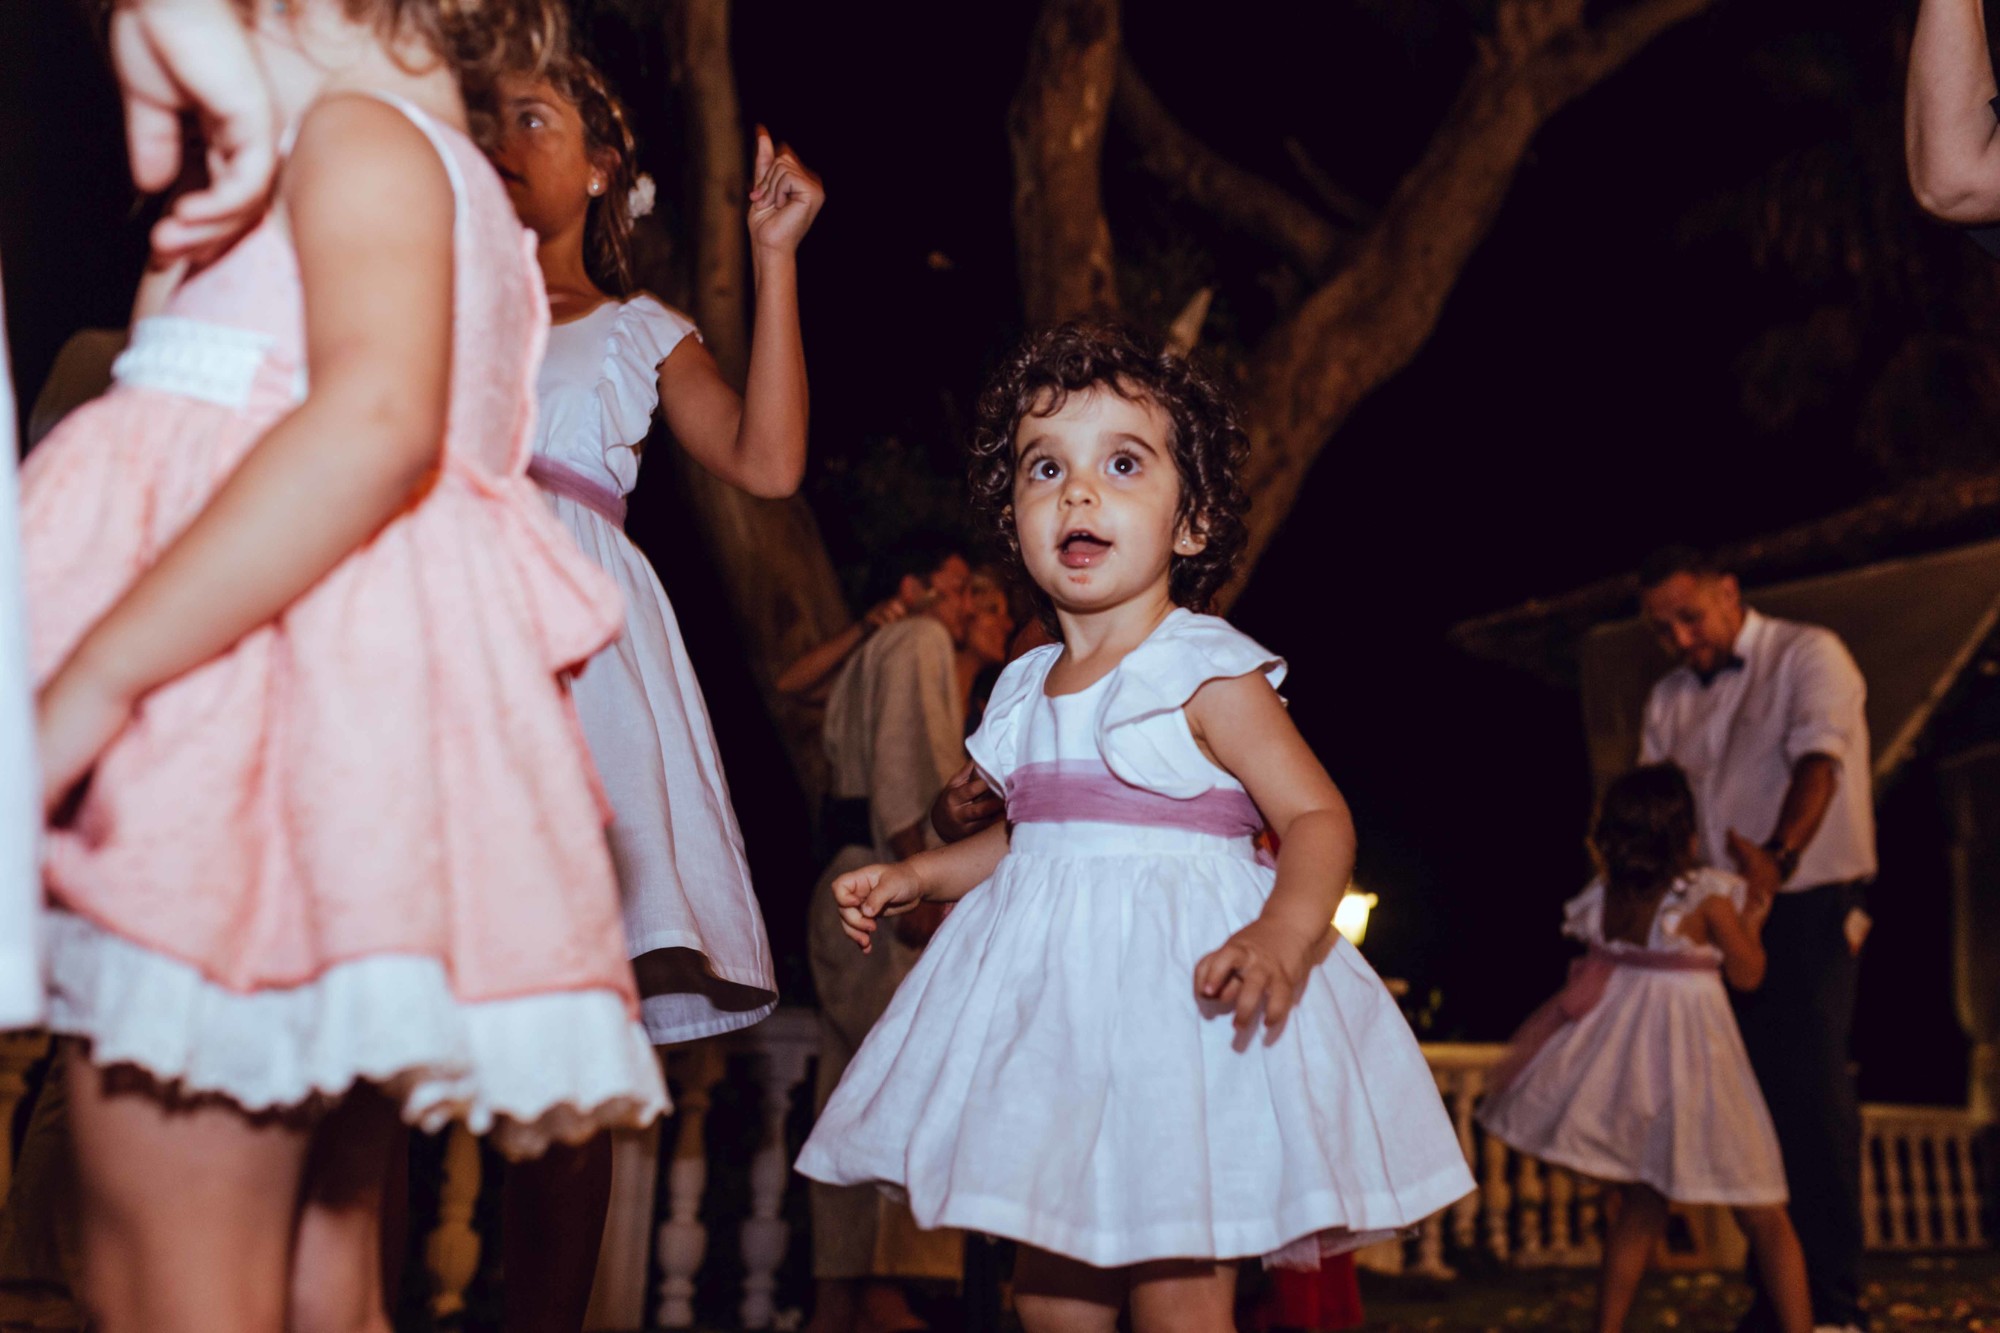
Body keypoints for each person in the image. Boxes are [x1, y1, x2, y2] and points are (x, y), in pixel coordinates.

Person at [19, 1, 671, 1328]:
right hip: (316, 802)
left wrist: (83, 687)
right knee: (326, 1279)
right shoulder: (447, 189)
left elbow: (373, 427)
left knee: (166, 1287)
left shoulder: (360, 141)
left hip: (219, 788)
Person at [796, 322, 1473, 1333]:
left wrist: (1284, 933)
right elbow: (1032, 840)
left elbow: (1314, 815)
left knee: (1177, 1293)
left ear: (1188, 521)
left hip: (1177, 1020)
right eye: (1044, 467)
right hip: (1057, 1026)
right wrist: (921, 874)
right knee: (1051, 1296)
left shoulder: (1204, 666)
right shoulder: (1021, 686)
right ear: (1011, 517)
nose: (1077, 491)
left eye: (1121, 463)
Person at [481, 50, 821, 1331]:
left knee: (567, 1048)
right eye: (486, 122)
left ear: (602, 166)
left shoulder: (639, 330)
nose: (502, 138)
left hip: (577, 673)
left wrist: (775, 257)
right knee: (390, 1036)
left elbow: (769, 461)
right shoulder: (426, 307)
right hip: (437, 651)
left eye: (533, 116)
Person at [1478, 764, 1809, 1333]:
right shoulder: (1704, 897)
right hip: (1699, 1070)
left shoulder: (1607, 897)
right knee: (1763, 1206)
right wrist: (1757, 905)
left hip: (1637, 1074)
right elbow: (1749, 973)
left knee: (1642, 1203)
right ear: (1686, 832)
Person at [1635, 547, 1874, 1333]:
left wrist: (1779, 857)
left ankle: (1836, 1306)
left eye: (1689, 616)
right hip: (1711, 919)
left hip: (1804, 899)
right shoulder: (1668, 694)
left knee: (1811, 1096)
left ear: (1729, 593)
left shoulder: (1810, 654)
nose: (1679, 638)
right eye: (1662, 628)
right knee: (1745, 1110)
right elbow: (1655, 805)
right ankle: (1776, 1300)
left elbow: (1821, 761)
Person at [804, 538, 978, 1333]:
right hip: (887, 879)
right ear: (913, 587)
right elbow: (909, 773)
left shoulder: (874, 652)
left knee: (851, 1086)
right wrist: (929, 885)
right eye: (957, 587)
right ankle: (885, 1293)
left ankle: (841, 1293)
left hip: (849, 872)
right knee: (903, 1084)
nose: (970, 603)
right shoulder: (915, 639)